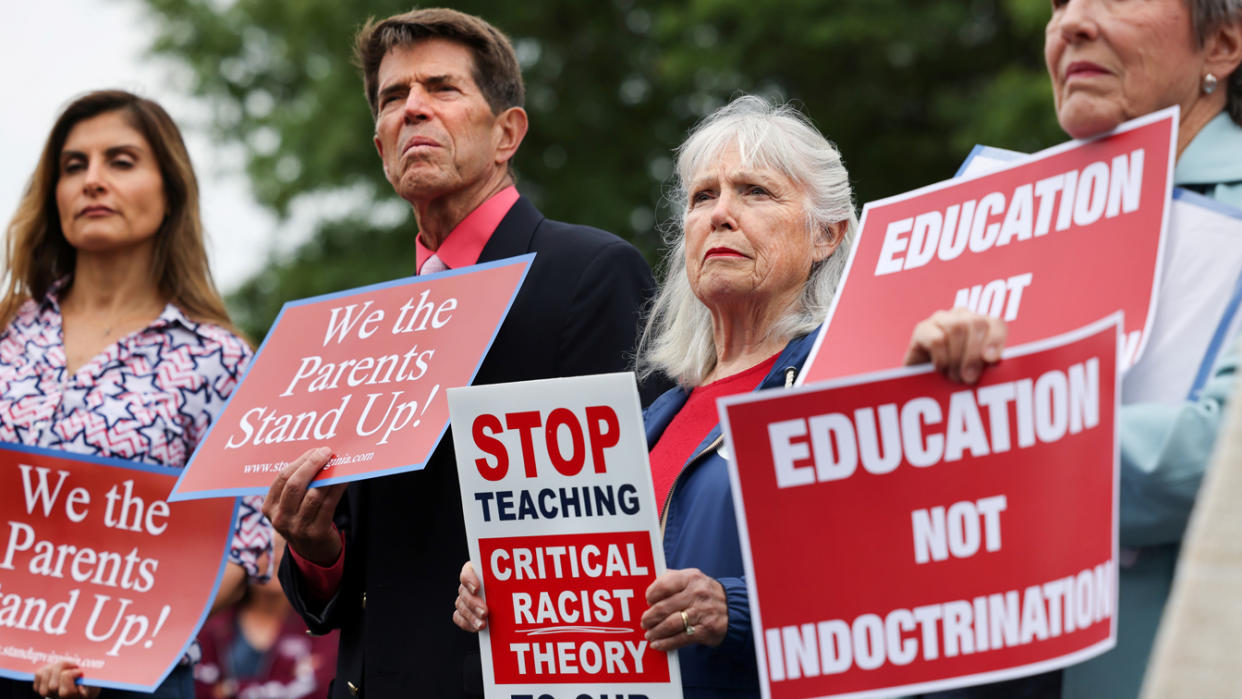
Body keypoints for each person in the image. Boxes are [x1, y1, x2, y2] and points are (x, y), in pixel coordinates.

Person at [451, 95, 1003, 698]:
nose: (720, 214)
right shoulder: (647, 420)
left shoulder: (852, 379)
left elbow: (908, 573)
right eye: (702, 197)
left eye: (755, 192)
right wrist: (516, 590)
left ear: (827, 235)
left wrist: (732, 607)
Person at [262, 8, 659, 697]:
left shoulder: (590, 273)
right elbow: (344, 578)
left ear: (508, 131)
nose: (413, 109)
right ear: (380, 142)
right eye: (393, 98)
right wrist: (316, 547)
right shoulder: (362, 328)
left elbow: (634, 514)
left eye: (442, 89)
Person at [917, 2, 1242, 697]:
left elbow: (1225, 456)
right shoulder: (983, 222)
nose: (1072, 24)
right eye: (1060, 2)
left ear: (1221, 43)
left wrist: (980, 429)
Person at [0, 90, 272, 698]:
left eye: (121, 161)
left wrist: (119, 646)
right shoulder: (6, 333)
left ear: (169, 190)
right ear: (54, 194)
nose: (93, 180)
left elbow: (246, 543)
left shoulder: (217, 357)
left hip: (133, 682)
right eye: (74, 166)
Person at [193, 535, 336, 699]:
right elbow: (198, 688)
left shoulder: (320, 625)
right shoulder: (213, 622)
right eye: (261, 549)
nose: (273, 558)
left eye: (283, 547)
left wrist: (229, 690)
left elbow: (317, 689)